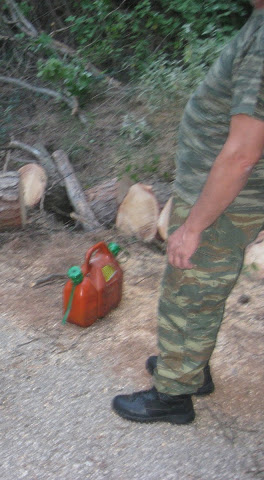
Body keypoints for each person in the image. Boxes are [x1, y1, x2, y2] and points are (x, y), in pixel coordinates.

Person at [112, 0, 264, 424]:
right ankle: (190, 370)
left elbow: (242, 155)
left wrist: (195, 224)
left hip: (226, 203)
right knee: (199, 288)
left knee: (190, 289)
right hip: (219, 195)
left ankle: (173, 396)